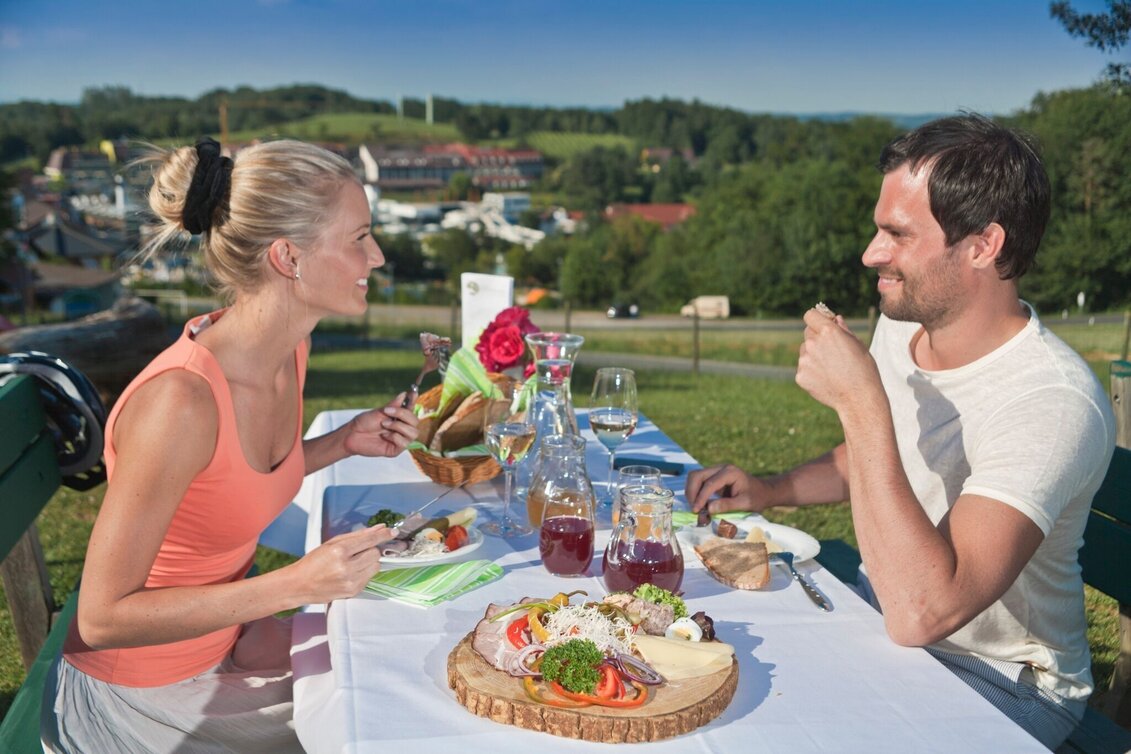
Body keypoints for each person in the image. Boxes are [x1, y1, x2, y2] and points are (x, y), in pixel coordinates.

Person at [687, 114, 1116, 750]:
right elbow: (880, 458)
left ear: (982, 245)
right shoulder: (905, 322)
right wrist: (767, 488)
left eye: (897, 234)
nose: (870, 254)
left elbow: (926, 611)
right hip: (876, 615)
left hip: (1003, 683)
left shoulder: (1049, 402)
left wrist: (861, 401)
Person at [41, 137, 419, 752]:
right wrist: (296, 584)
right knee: (391, 720)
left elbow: (225, 487)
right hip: (143, 696)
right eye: (358, 237)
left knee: (404, 657)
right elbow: (104, 617)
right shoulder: (180, 404)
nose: (375, 257)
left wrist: (340, 444)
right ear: (288, 257)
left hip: (224, 645)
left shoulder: (288, 349)